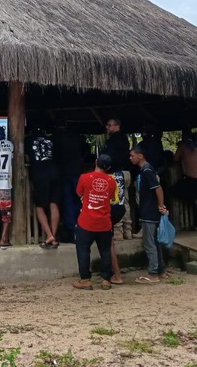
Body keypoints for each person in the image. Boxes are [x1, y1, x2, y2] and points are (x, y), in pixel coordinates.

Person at [72, 153, 117, 290]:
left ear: (96, 162)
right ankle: (105, 280)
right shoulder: (111, 181)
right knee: (105, 250)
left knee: (83, 249)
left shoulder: (84, 178)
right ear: (108, 167)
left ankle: (85, 279)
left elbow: (79, 193)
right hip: (104, 222)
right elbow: (109, 197)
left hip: (86, 222)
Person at [130, 145, 168, 284]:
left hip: (149, 212)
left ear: (140, 156)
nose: (130, 158)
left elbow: (158, 189)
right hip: (149, 210)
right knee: (154, 242)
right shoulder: (146, 169)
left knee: (149, 243)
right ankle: (161, 270)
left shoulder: (146, 170)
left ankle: (153, 273)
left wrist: (161, 206)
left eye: (132, 155)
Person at [27, 126, 61, 249]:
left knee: (40, 207)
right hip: (55, 173)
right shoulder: (52, 140)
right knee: (54, 204)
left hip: (40, 175)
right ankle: (54, 235)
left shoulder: (28, 141)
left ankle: (49, 235)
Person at [101, 119, 133, 237]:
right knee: (125, 201)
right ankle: (128, 230)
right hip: (125, 172)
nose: (107, 128)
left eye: (109, 125)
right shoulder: (124, 139)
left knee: (116, 202)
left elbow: (110, 156)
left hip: (117, 174)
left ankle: (118, 232)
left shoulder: (114, 140)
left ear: (117, 126)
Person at [53, 125, 85, 239]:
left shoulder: (56, 139)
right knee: (79, 201)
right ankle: (80, 227)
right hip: (76, 173)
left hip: (65, 174)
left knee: (68, 203)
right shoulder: (75, 138)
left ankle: (72, 231)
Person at [172, 130, 197, 230]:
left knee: (172, 191)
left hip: (191, 178)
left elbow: (175, 159)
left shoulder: (183, 146)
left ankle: (192, 199)